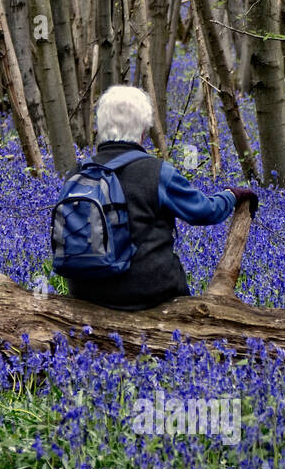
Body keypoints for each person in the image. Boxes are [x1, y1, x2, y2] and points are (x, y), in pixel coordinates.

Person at [62, 85, 258, 311]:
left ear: (100, 127)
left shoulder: (77, 173)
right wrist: (231, 195)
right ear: (143, 131)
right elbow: (205, 212)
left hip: (85, 292)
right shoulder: (157, 172)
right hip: (147, 292)